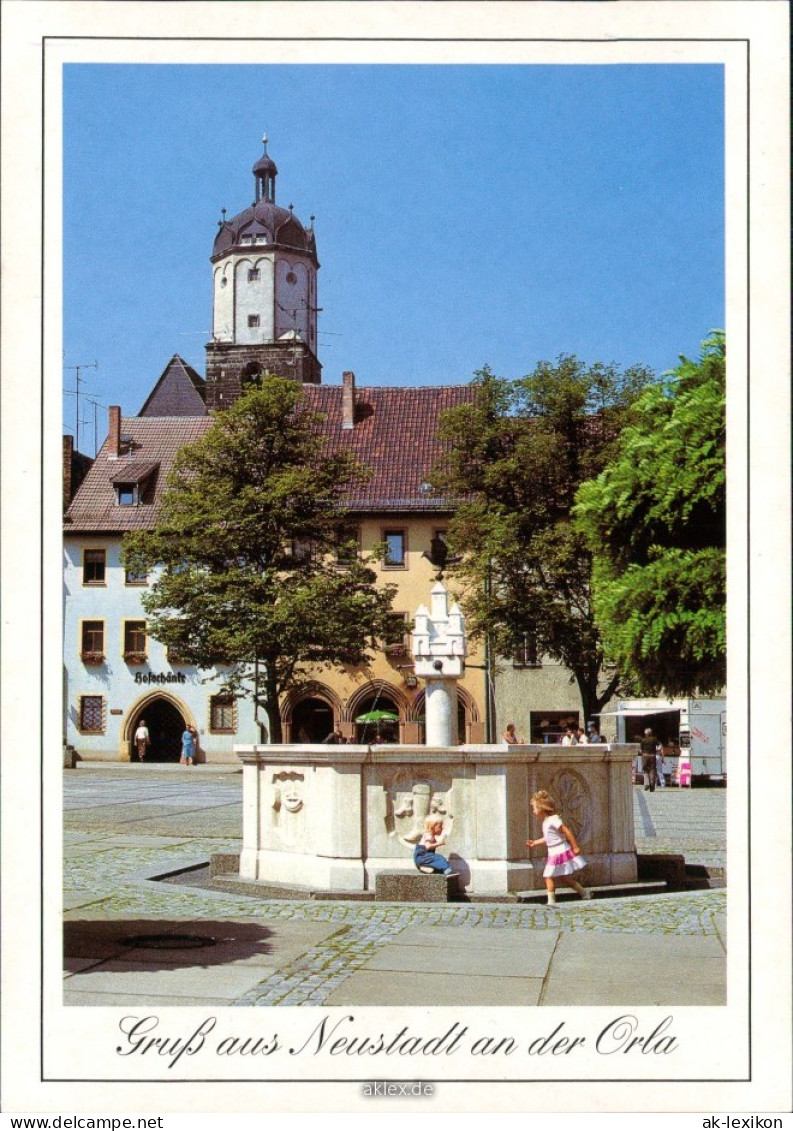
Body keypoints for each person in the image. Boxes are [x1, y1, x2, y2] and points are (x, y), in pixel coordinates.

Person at [526, 790, 590, 904]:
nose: (534, 811)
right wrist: (535, 843)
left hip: (559, 850)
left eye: (535, 808)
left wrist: (575, 846)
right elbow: (548, 839)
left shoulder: (553, 820)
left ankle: (551, 901)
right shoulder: (546, 822)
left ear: (541, 808)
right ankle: (584, 893)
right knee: (565, 878)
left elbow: (567, 831)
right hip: (554, 851)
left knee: (548, 875)